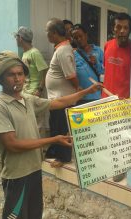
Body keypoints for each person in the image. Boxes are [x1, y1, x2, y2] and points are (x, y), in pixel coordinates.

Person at [0, 51, 102, 219]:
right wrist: (53, 140)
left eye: (20, 74)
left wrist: (87, 91)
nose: (17, 79)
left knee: (34, 218)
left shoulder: (27, 99)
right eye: (11, 75)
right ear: (1, 79)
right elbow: (13, 145)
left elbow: (58, 103)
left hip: (34, 171)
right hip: (17, 176)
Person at [45, 18, 79, 167]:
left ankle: (64, 158)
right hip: (57, 99)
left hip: (62, 99)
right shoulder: (61, 48)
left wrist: (77, 89)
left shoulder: (63, 50)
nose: (46, 34)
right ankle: (55, 152)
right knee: (55, 126)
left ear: (53, 33)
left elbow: (71, 75)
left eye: (47, 31)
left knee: (61, 128)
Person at [71, 23, 104, 104]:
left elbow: (104, 72)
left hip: (97, 97)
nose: (78, 39)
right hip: (81, 98)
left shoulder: (98, 51)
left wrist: (96, 63)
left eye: (80, 36)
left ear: (86, 35)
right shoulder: (72, 54)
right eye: (75, 38)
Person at [102, 12, 131, 99]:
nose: (122, 31)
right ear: (113, 29)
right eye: (118, 27)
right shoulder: (107, 45)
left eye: (125, 28)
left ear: (129, 30)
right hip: (105, 100)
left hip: (123, 103)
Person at [14, 26, 48, 96]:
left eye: (16, 37)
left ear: (20, 38)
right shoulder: (25, 53)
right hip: (26, 92)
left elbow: (45, 71)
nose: (16, 39)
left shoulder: (34, 53)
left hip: (34, 92)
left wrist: (39, 90)